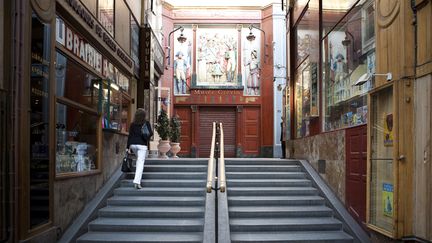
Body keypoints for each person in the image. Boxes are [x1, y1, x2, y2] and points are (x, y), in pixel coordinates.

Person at [127, 108, 153, 189]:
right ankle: (137, 182)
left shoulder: (132, 124)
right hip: (142, 145)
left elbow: (130, 136)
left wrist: (127, 147)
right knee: (140, 163)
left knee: (139, 160)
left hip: (133, 145)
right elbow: (151, 133)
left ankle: (137, 180)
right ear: (144, 115)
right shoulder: (146, 123)